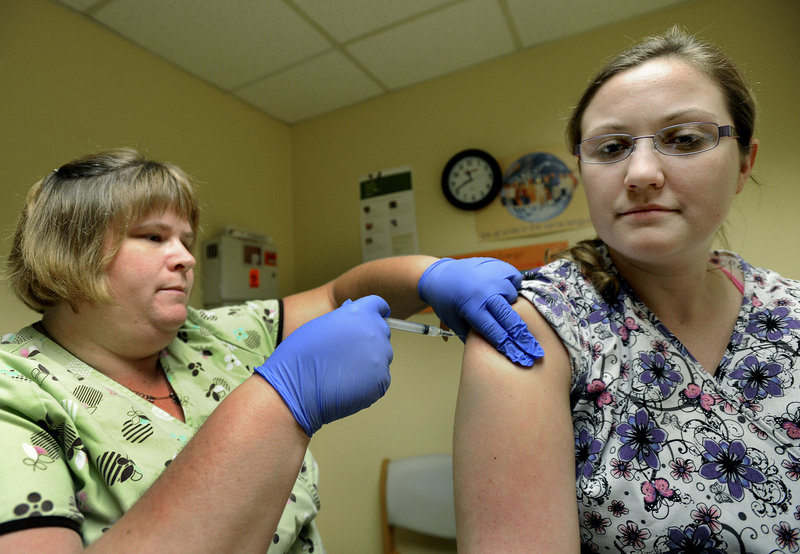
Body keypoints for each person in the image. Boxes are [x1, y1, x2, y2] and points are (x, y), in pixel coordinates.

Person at [0, 148, 542, 552]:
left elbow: (335, 295)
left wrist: (430, 276)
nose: (185, 258)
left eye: (187, 241)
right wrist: (282, 403)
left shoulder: (212, 334)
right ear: (68, 250)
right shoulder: (15, 390)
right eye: (153, 236)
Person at [453, 27, 800, 553]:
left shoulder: (788, 311)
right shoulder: (535, 328)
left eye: (684, 139)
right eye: (611, 148)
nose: (640, 173)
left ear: (744, 164)